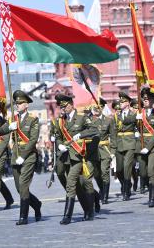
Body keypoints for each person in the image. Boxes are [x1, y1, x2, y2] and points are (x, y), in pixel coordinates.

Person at [0, 90, 41, 225]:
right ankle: (36, 204)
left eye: (20, 103)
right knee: (19, 188)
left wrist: (23, 155)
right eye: (16, 103)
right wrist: (9, 128)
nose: (17, 105)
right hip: (15, 156)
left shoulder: (33, 119)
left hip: (28, 156)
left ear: (26, 105)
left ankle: (23, 217)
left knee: (23, 185)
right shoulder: (12, 119)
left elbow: (33, 139)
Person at [55, 94, 99, 225]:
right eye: (61, 107)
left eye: (65, 106)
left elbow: (94, 129)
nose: (63, 109)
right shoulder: (61, 120)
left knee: (71, 183)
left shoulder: (81, 117)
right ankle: (88, 211)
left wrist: (81, 134)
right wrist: (59, 144)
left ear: (71, 104)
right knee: (79, 186)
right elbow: (58, 135)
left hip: (79, 156)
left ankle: (67, 216)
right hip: (66, 156)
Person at [138, 88, 154, 207]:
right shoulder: (139, 113)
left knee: (151, 171)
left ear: (153, 100)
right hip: (141, 146)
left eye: (147, 99)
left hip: (153, 147)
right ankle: (153, 187)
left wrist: (148, 148)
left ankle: (152, 198)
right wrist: (135, 120)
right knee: (143, 172)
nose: (145, 100)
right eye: (144, 98)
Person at [91, 99, 116, 204]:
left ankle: (105, 196)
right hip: (93, 150)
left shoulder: (108, 120)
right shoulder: (89, 121)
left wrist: (113, 151)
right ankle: (102, 189)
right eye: (95, 107)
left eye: (99, 106)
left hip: (104, 149)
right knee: (96, 174)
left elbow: (113, 137)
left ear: (102, 108)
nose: (97, 109)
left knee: (104, 172)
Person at [114, 92, 138, 201]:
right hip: (119, 143)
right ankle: (125, 184)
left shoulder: (133, 114)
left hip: (129, 142)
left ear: (128, 103)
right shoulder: (116, 115)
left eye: (123, 101)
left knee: (127, 167)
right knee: (119, 170)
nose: (121, 103)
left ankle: (127, 190)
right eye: (120, 101)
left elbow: (138, 126)